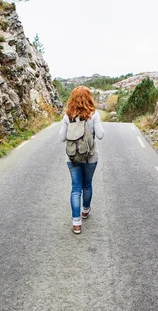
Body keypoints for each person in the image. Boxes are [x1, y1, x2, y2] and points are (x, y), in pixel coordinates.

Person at [59, 86, 105, 234]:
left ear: (72, 99)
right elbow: (100, 135)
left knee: (75, 188)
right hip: (90, 157)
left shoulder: (68, 116)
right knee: (87, 185)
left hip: (72, 158)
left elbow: (61, 138)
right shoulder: (94, 115)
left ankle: (76, 223)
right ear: (89, 98)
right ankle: (85, 210)